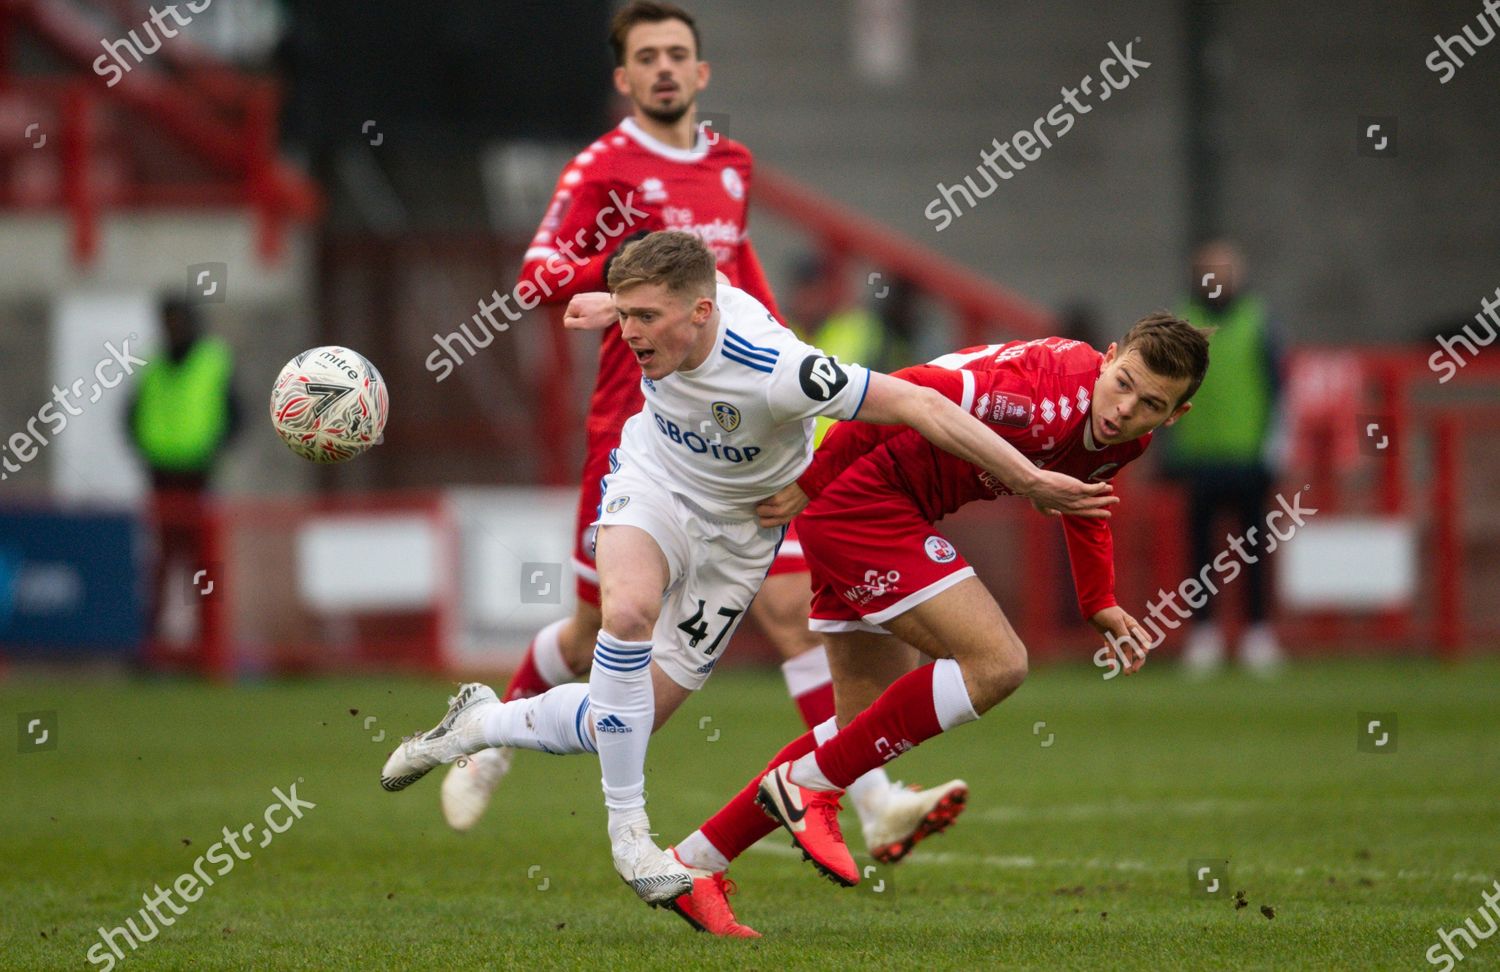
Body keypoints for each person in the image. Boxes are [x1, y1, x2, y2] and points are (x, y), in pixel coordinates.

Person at [380, 231, 1115, 911]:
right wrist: (617, 299)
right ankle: (633, 840)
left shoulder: (781, 370)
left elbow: (918, 402)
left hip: (739, 538)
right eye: (627, 316)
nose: (629, 335)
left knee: (625, 723)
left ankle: (480, 723)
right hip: (654, 484)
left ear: (701, 314)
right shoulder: (676, 312)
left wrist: (1029, 480)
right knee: (625, 613)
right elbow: (677, 270)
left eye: (645, 319)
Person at [442, 0, 962, 862]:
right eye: (646, 57)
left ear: (702, 70)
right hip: (636, 431)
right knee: (590, 632)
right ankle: (492, 739)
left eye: (678, 53)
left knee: (795, 610)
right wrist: (626, 277)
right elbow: (538, 274)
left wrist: (781, 349)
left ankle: (868, 803)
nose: (664, 69)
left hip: (735, 421)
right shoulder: (605, 167)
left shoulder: (730, 164)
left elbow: (734, 268)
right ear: (624, 77)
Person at [661, 317, 1210, 935]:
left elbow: (1083, 494)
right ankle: (806, 786)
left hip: (888, 507)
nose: (1125, 409)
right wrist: (810, 486)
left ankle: (691, 866)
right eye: (1123, 384)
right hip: (858, 499)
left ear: (1175, 415)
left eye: (1149, 405)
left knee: (855, 728)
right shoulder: (1037, 397)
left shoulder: (1124, 436)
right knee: (999, 664)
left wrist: (1098, 600)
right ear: (1109, 357)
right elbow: (905, 392)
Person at [1166, 240, 1286, 675]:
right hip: (1198, 458)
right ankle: (1204, 633)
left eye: (1226, 269)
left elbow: (1279, 390)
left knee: (1253, 549)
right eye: (1210, 269)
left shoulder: (1258, 320)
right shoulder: (1181, 319)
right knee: (1199, 552)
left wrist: (1275, 449)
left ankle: (1258, 632)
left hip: (1248, 456)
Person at [126, 298, 239, 654]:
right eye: (167, 322)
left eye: (178, 321)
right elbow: (131, 416)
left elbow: (236, 415)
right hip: (161, 481)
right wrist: (147, 454)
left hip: (199, 479)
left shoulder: (213, 362)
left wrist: (213, 453)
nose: (173, 329)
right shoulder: (154, 366)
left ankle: (208, 643)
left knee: (203, 565)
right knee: (160, 565)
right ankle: (153, 645)